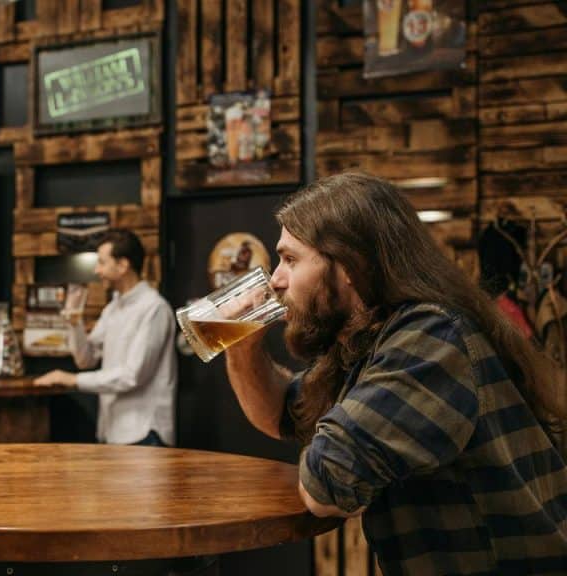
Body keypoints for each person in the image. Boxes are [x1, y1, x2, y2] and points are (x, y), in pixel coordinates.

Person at [225, 172, 567, 574]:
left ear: (350, 265)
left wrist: (331, 448)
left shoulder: (431, 340)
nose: (276, 279)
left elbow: (325, 486)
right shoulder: (374, 342)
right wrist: (241, 348)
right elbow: (283, 414)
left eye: (290, 259)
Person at [35, 229, 177, 447]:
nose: (96, 270)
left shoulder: (154, 308)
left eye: (102, 262)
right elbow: (86, 360)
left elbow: (133, 376)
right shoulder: (113, 308)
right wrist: (74, 323)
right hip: (113, 431)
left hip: (144, 434)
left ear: (122, 265)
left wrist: (72, 380)